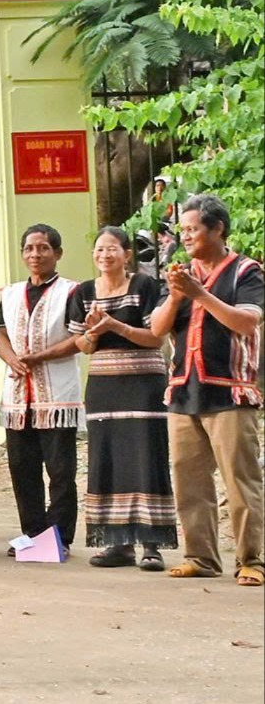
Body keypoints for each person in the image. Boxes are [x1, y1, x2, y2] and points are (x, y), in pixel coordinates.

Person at [149, 194, 262, 585]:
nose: (186, 237)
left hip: (229, 392)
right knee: (189, 481)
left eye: (193, 229)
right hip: (183, 391)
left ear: (218, 229)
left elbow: (246, 323)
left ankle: (252, 560)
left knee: (240, 480)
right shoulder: (181, 273)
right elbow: (157, 330)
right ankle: (200, 556)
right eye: (183, 230)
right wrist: (179, 295)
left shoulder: (246, 271)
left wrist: (200, 294)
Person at [69, 226, 173, 570]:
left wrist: (116, 326)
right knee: (107, 460)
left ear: (127, 254)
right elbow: (81, 345)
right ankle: (117, 543)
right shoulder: (83, 292)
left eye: (112, 249)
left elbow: (155, 338)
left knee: (145, 458)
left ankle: (151, 545)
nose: (104, 255)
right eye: (99, 250)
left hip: (144, 386)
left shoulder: (144, 285)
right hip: (103, 388)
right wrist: (94, 332)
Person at [0, 224, 83, 552]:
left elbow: (80, 338)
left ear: (57, 254)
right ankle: (32, 535)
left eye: (44, 248)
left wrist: (40, 356)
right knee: (22, 468)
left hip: (57, 396)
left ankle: (58, 537)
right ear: (22, 254)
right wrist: (12, 359)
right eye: (30, 248)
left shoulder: (72, 292)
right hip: (18, 397)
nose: (36, 254)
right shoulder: (11, 293)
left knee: (60, 470)